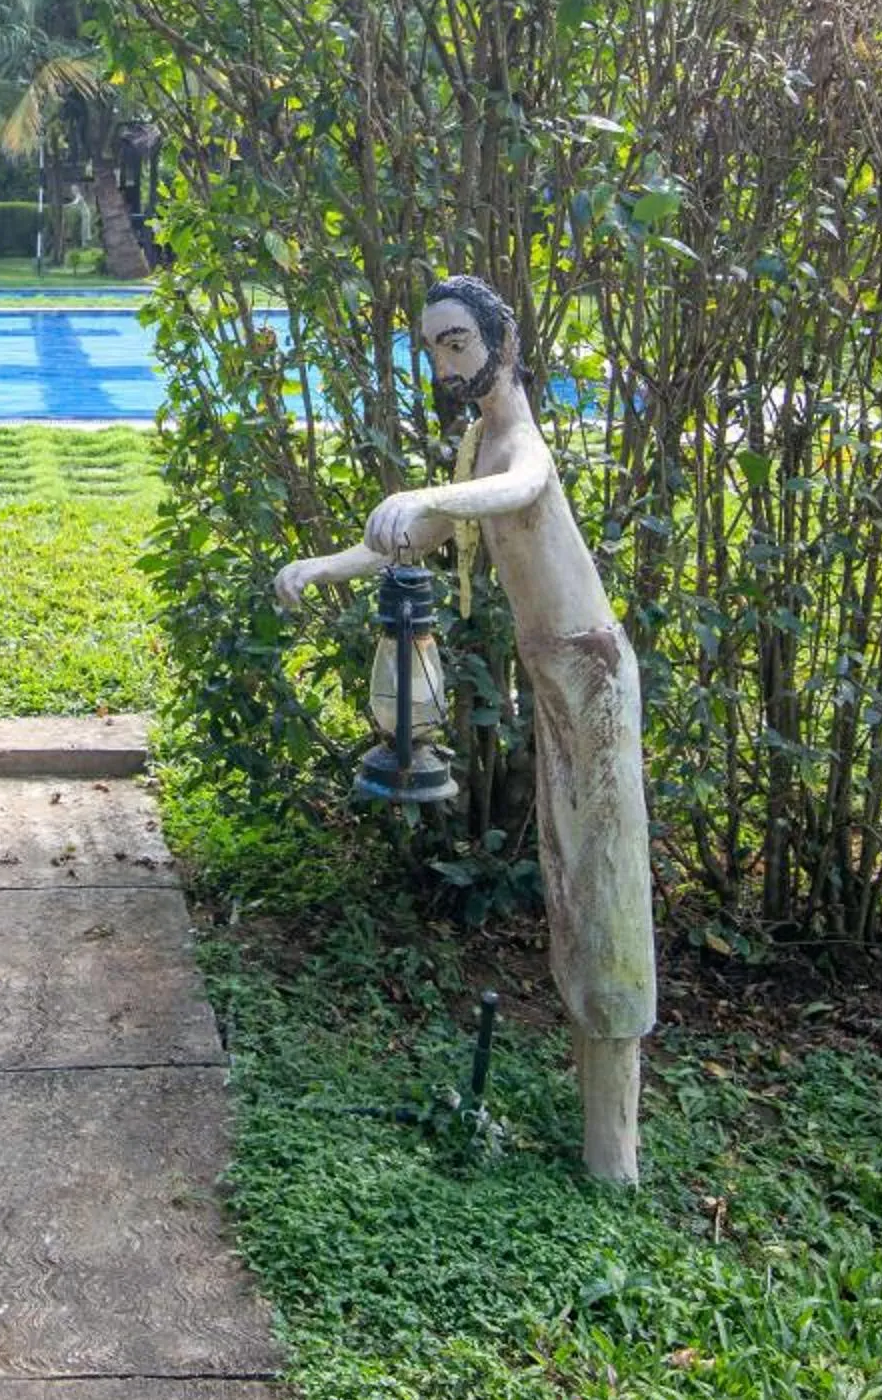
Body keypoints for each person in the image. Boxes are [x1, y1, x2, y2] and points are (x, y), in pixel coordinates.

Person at [275, 273, 657, 1184]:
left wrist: (431, 498)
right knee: (570, 875)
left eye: (457, 344)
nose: (445, 365)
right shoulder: (474, 443)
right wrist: (323, 567)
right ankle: (598, 1122)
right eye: (434, 349)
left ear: (500, 343)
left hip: (592, 676)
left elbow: (523, 485)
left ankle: (615, 1155)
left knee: (603, 888)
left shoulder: (516, 440)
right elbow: (424, 536)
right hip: (553, 675)